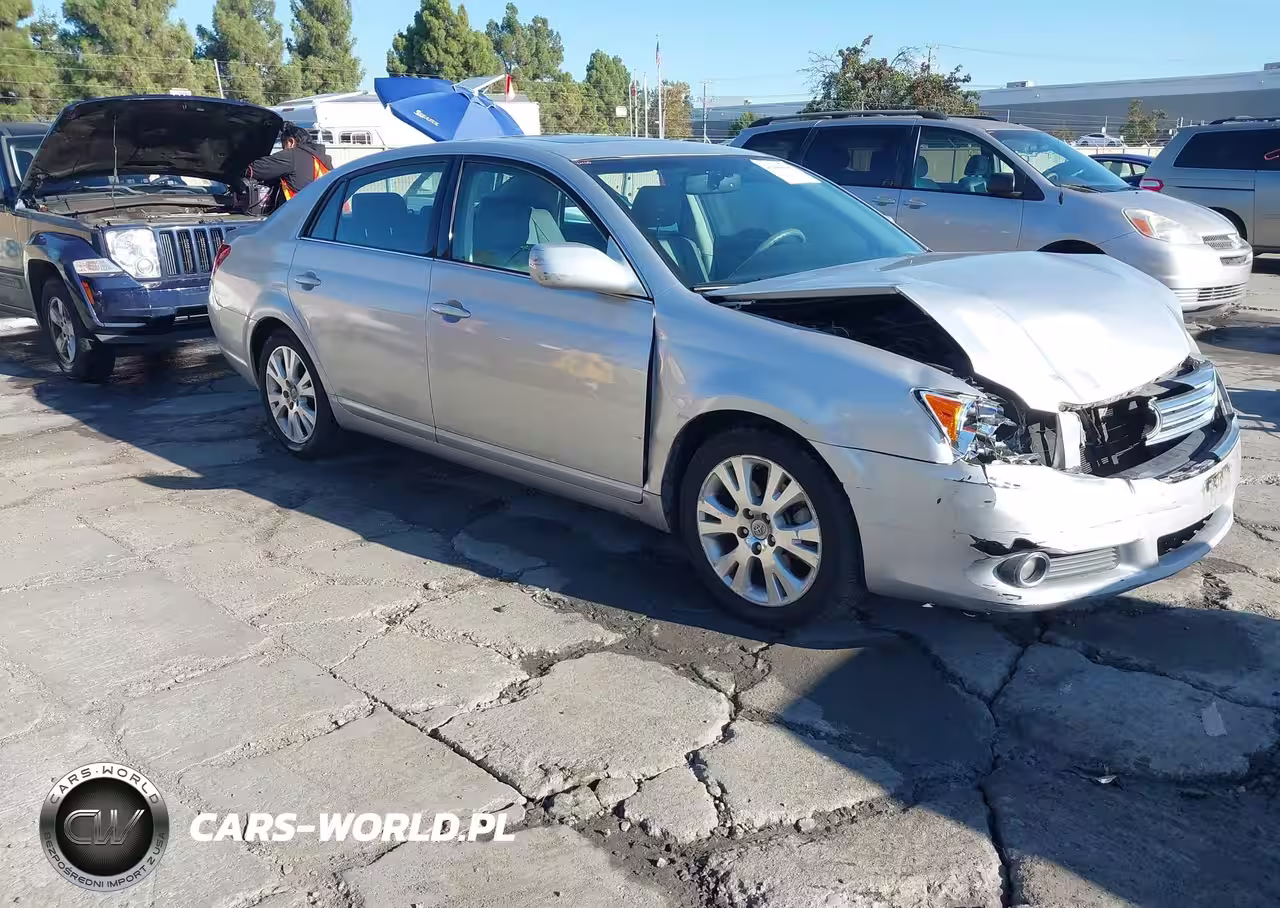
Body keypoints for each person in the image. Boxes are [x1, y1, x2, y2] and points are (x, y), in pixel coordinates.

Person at [247, 122, 333, 214]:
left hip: (299, 215)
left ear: (291, 142)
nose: (283, 150)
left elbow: (256, 169)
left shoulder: (292, 155)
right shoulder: (323, 159)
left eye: (283, 146)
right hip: (324, 211)